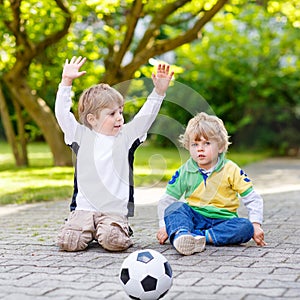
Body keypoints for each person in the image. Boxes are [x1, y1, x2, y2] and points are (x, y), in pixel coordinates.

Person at [55, 56, 173, 252]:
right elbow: (62, 115)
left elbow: (145, 117)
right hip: (83, 209)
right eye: (112, 114)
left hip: (113, 211)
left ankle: (114, 230)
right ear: (92, 119)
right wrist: (66, 83)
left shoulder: (126, 136)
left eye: (120, 111)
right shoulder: (81, 136)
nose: (119, 118)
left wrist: (159, 92)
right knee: (69, 242)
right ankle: (86, 229)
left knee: (113, 241)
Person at [156, 112, 266, 255]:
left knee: (246, 227)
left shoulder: (231, 169)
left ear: (220, 147)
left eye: (206, 143)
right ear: (188, 147)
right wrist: (164, 226)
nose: (200, 149)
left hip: (224, 220)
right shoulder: (185, 171)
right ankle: (182, 234)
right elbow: (167, 200)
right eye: (195, 144)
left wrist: (256, 225)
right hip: (195, 217)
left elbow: (253, 198)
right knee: (175, 208)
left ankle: (199, 237)